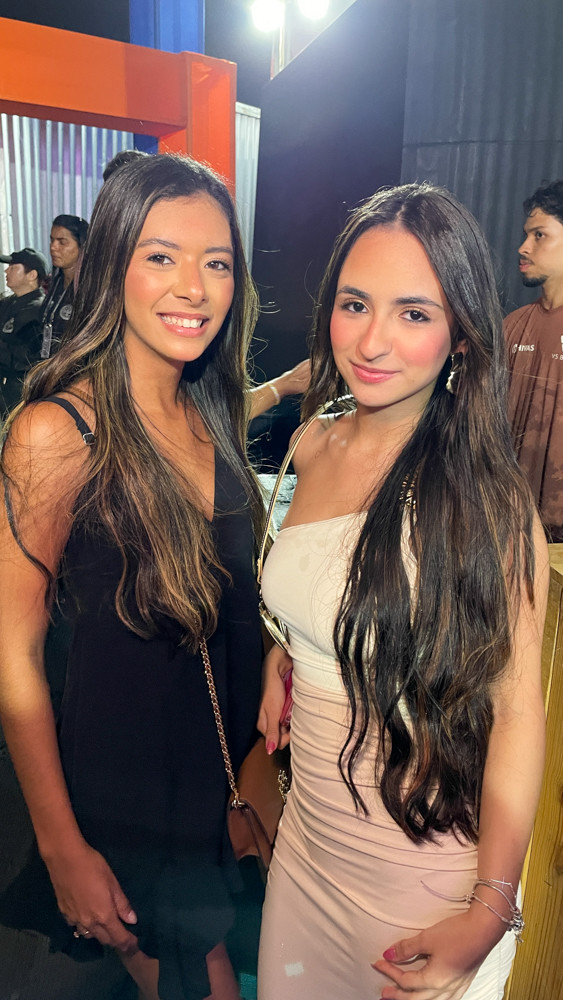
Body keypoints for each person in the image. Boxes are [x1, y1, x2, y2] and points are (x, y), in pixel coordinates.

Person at [257, 183, 548, 1000]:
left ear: (461, 333)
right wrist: (290, 653)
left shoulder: (483, 500)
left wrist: (490, 906)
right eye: (354, 304)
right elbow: (326, 590)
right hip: (305, 852)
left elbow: (516, 713)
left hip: (417, 882)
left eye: (413, 314)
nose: (372, 340)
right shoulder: (313, 440)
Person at [0, 153, 265, 1000]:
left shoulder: (209, 411)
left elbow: (231, 606)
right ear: (113, 265)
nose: (193, 286)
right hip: (125, 796)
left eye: (215, 262)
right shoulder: (56, 432)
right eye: (161, 256)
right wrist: (61, 847)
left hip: (217, 781)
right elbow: (13, 656)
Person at [505, 180, 563, 541]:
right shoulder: (511, 327)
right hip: (512, 528)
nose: (523, 248)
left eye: (539, 235)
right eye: (526, 235)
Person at [0, 248, 47, 417]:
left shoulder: (40, 310)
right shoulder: (8, 303)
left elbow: (24, 353)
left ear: (32, 275)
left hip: (19, 389)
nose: (6, 271)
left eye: (13, 267)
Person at [40, 213, 89, 359]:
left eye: (62, 242)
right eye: (52, 240)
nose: (53, 247)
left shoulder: (91, 289)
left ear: (82, 246)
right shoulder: (56, 283)